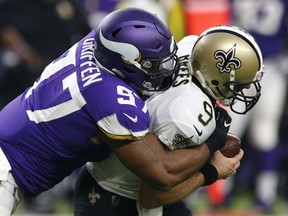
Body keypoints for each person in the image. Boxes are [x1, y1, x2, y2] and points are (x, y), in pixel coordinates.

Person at [0, 8, 231, 216]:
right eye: (154, 66)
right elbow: (163, 173)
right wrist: (212, 143)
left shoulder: (99, 43)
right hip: (5, 173)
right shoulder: (110, 98)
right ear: (126, 62)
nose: (165, 72)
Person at [73, 25, 265, 216]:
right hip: (115, 197)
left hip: (111, 175)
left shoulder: (191, 47)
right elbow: (150, 197)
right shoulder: (184, 116)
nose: (243, 89)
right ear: (217, 75)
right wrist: (212, 171)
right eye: (238, 84)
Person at [226, 0, 288, 213]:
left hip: (243, 67)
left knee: (232, 132)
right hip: (262, 68)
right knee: (237, 132)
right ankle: (261, 196)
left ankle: (259, 196)